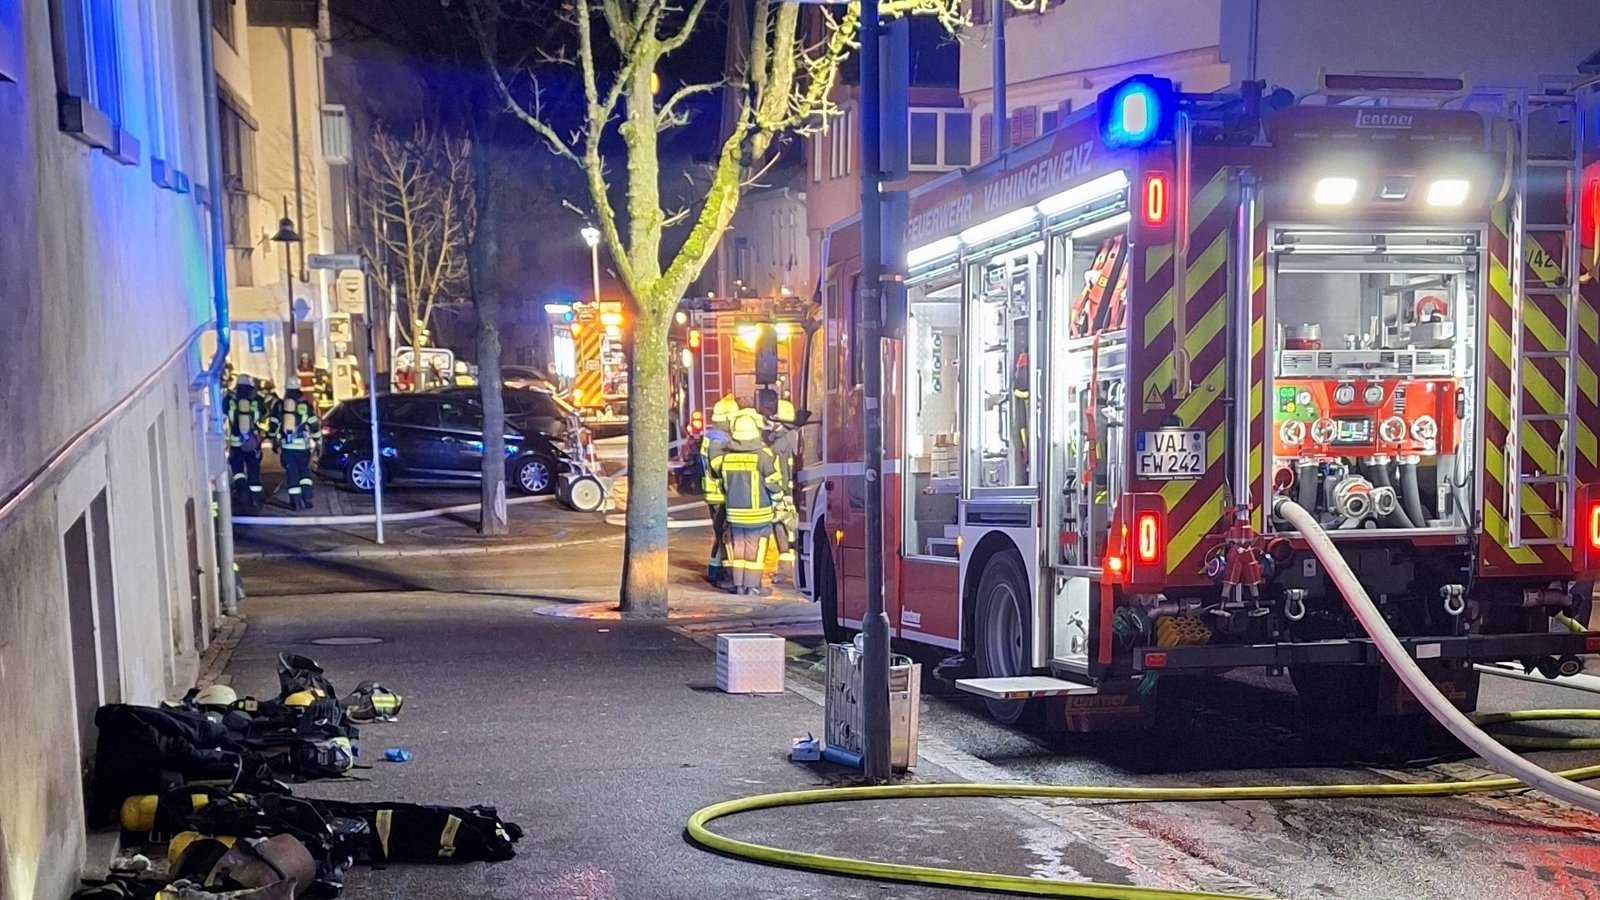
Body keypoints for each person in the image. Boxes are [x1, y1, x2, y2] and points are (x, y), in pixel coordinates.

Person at [711, 409, 781, 596]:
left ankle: (740, 586)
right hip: (758, 513)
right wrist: (780, 501)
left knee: (738, 549)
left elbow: (722, 481)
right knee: (754, 552)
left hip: (734, 512)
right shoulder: (762, 456)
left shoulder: (727, 458)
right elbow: (774, 483)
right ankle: (753, 586)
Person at [701, 395, 738, 585]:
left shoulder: (714, 436)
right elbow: (717, 465)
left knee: (720, 535)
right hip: (719, 494)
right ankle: (724, 573)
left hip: (715, 493)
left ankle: (715, 570)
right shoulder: (717, 440)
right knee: (724, 535)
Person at [767, 400, 801, 586]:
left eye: (771, 419)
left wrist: (785, 494)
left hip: (783, 496)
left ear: (778, 421)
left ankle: (784, 573)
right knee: (784, 533)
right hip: (785, 494)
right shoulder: (790, 438)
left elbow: (785, 471)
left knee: (783, 534)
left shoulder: (783, 442)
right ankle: (787, 573)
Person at [224, 374, 269, 511]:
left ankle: (242, 493)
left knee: (238, 470)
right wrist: (261, 436)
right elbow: (266, 420)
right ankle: (255, 499)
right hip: (252, 444)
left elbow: (221, 420)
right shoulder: (257, 400)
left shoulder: (228, 400)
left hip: (236, 444)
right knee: (253, 470)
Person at [274, 384, 321, 510]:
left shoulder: (280, 406)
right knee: (304, 472)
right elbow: (314, 425)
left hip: (287, 448)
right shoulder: (306, 406)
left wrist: (273, 440)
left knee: (292, 474)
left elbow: (274, 425)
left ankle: (295, 502)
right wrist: (318, 441)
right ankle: (307, 498)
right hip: (302, 448)